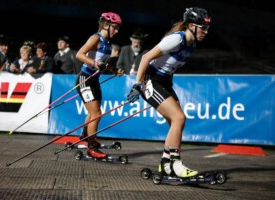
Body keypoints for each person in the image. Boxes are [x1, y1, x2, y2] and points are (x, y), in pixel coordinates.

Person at [127, 7, 211, 178]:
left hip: (164, 82)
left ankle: (166, 162)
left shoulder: (192, 43)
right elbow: (145, 58)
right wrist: (137, 84)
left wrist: (169, 88)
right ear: (190, 26)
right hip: (150, 80)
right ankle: (176, 164)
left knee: (177, 122)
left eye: (207, 28)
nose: (206, 32)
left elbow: (170, 67)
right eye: (202, 27)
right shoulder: (176, 39)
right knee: (179, 118)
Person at [75, 12, 124, 159]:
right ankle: (92, 146)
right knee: (96, 113)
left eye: (118, 28)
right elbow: (79, 54)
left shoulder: (108, 43)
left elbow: (104, 62)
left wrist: (113, 70)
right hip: (85, 78)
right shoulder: (96, 38)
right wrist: (96, 64)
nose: (116, 31)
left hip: (94, 79)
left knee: (93, 112)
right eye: (114, 27)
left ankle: (85, 135)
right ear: (105, 25)